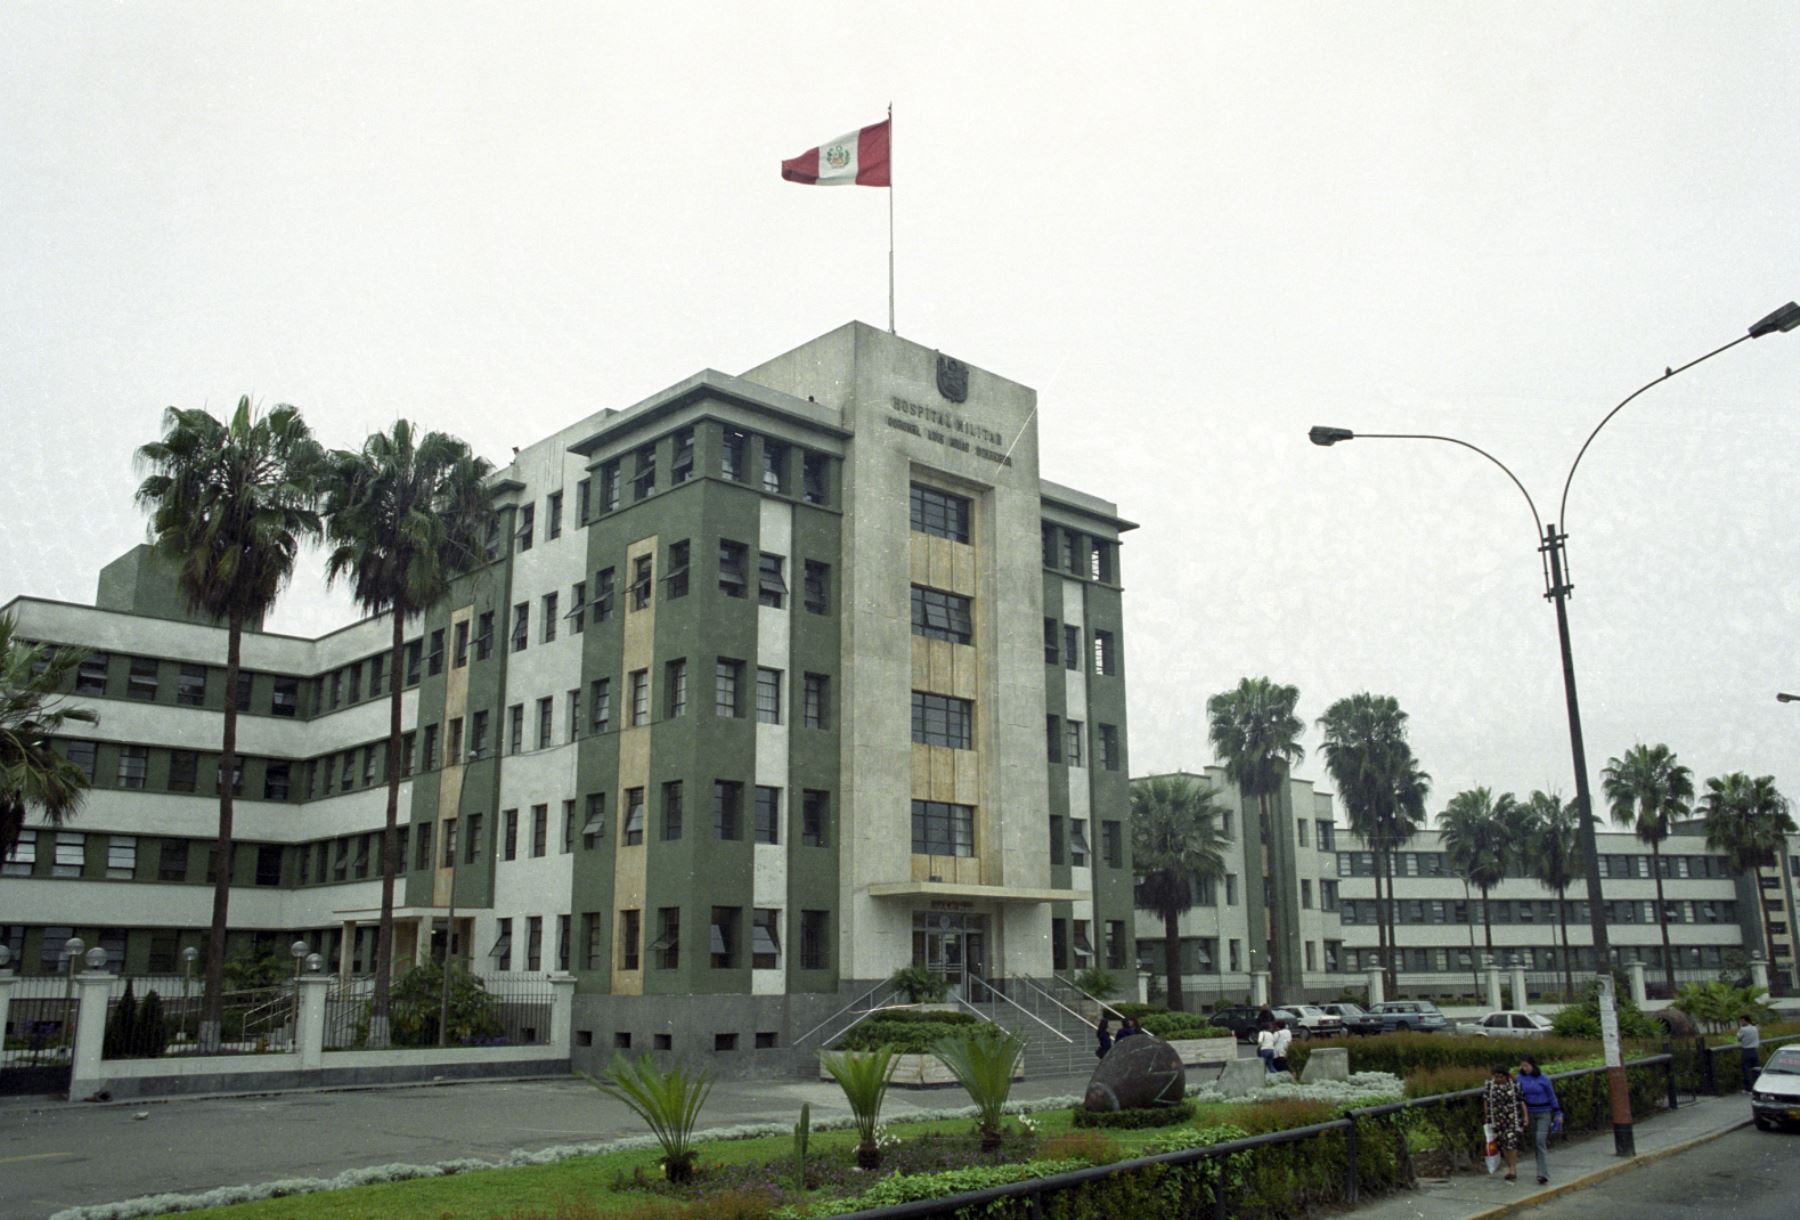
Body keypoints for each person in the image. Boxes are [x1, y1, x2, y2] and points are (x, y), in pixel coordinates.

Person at [1516, 1055, 1562, 1185]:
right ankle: (1540, 1169)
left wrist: (1558, 1112)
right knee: (1535, 1142)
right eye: (1523, 1066)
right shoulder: (1519, 1079)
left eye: (1527, 1066)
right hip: (1530, 1112)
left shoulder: (1543, 1079)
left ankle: (1543, 1173)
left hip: (1544, 1112)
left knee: (1540, 1140)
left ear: (1533, 1065)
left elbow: (1552, 1096)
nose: (1525, 1068)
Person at [1483, 1063, 1527, 1182]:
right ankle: (1509, 1166)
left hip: (1512, 1119)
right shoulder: (1489, 1086)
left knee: (1511, 1143)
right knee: (1502, 1144)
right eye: (1496, 1077)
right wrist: (1487, 1117)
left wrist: (1525, 1117)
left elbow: (1521, 1101)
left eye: (1501, 1077)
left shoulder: (1514, 1085)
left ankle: (1513, 1168)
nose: (1498, 1079)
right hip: (1497, 1119)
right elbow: (1486, 1101)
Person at [1738, 1014, 1762, 1091]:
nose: (1741, 1022)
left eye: (1742, 1021)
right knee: (1756, 1069)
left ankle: (1748, 1088)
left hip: (1746, 1051)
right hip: (1754, 1051)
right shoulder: (1755, 1028)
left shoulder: (1743, 1029)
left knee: (1746, 1070)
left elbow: (1739, 1038)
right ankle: (1757, 1087)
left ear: (1746, 1021)